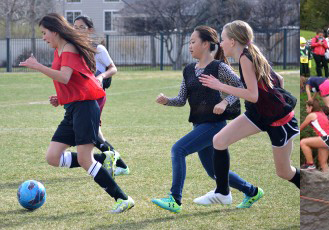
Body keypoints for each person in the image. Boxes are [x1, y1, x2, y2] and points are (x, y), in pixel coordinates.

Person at [19, 13, 134, 213]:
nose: (43, 37)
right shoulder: (58, 50)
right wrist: (61, 98)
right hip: (73, 108)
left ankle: (123, 199)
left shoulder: (69, 48)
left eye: (45, 33)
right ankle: (103, 160)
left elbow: (64, 77)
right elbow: (72, 82)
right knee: (52, 157)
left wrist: (37, 66)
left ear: (55, 31)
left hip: (86, 108)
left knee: (84, 160)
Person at [151, 26, 262, 212]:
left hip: (215, 125)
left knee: (178, 150)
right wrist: (166, 101)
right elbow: (180, 100)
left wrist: (225, 102)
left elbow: (242, 86)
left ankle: (174, 199)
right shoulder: (188, 70)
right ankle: (252, 191)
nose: (190, 46)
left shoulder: (220, 67)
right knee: (214, 172)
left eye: (193, 42)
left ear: (205, 44)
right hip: (199, 126)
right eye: (189, 42)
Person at [199, 20, 300, 204]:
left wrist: (220, 86)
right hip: (258, 114)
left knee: (284, 172)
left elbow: (252, 95)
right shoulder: (249, 52)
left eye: (222, 39)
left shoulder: (246, 57)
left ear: (232, 42)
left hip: (279, 121)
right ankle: (222, 192)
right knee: (219, 141)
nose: (220, 44)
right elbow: (279, 79)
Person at [73, 15, 130, 176]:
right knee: (96, 132)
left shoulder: (98, 48)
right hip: (81, 95)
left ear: (89, 30)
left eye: (81, 27)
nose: (77, 30)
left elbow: (113, 68)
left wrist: (101, 76)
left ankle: (108, 157)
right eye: (75, 27)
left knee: (88, 129)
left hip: (95, 95)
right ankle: (121, 165)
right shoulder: (74, 48)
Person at [300, 99, 329, 172]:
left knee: (303, 142)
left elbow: (300, 128)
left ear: (311, 107)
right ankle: (328, 178)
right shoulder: (322, 113)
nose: (306, 109)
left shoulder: (311, 115)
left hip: (325, 138)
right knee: (323, 163)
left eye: (306, 107)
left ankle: (310, 164)